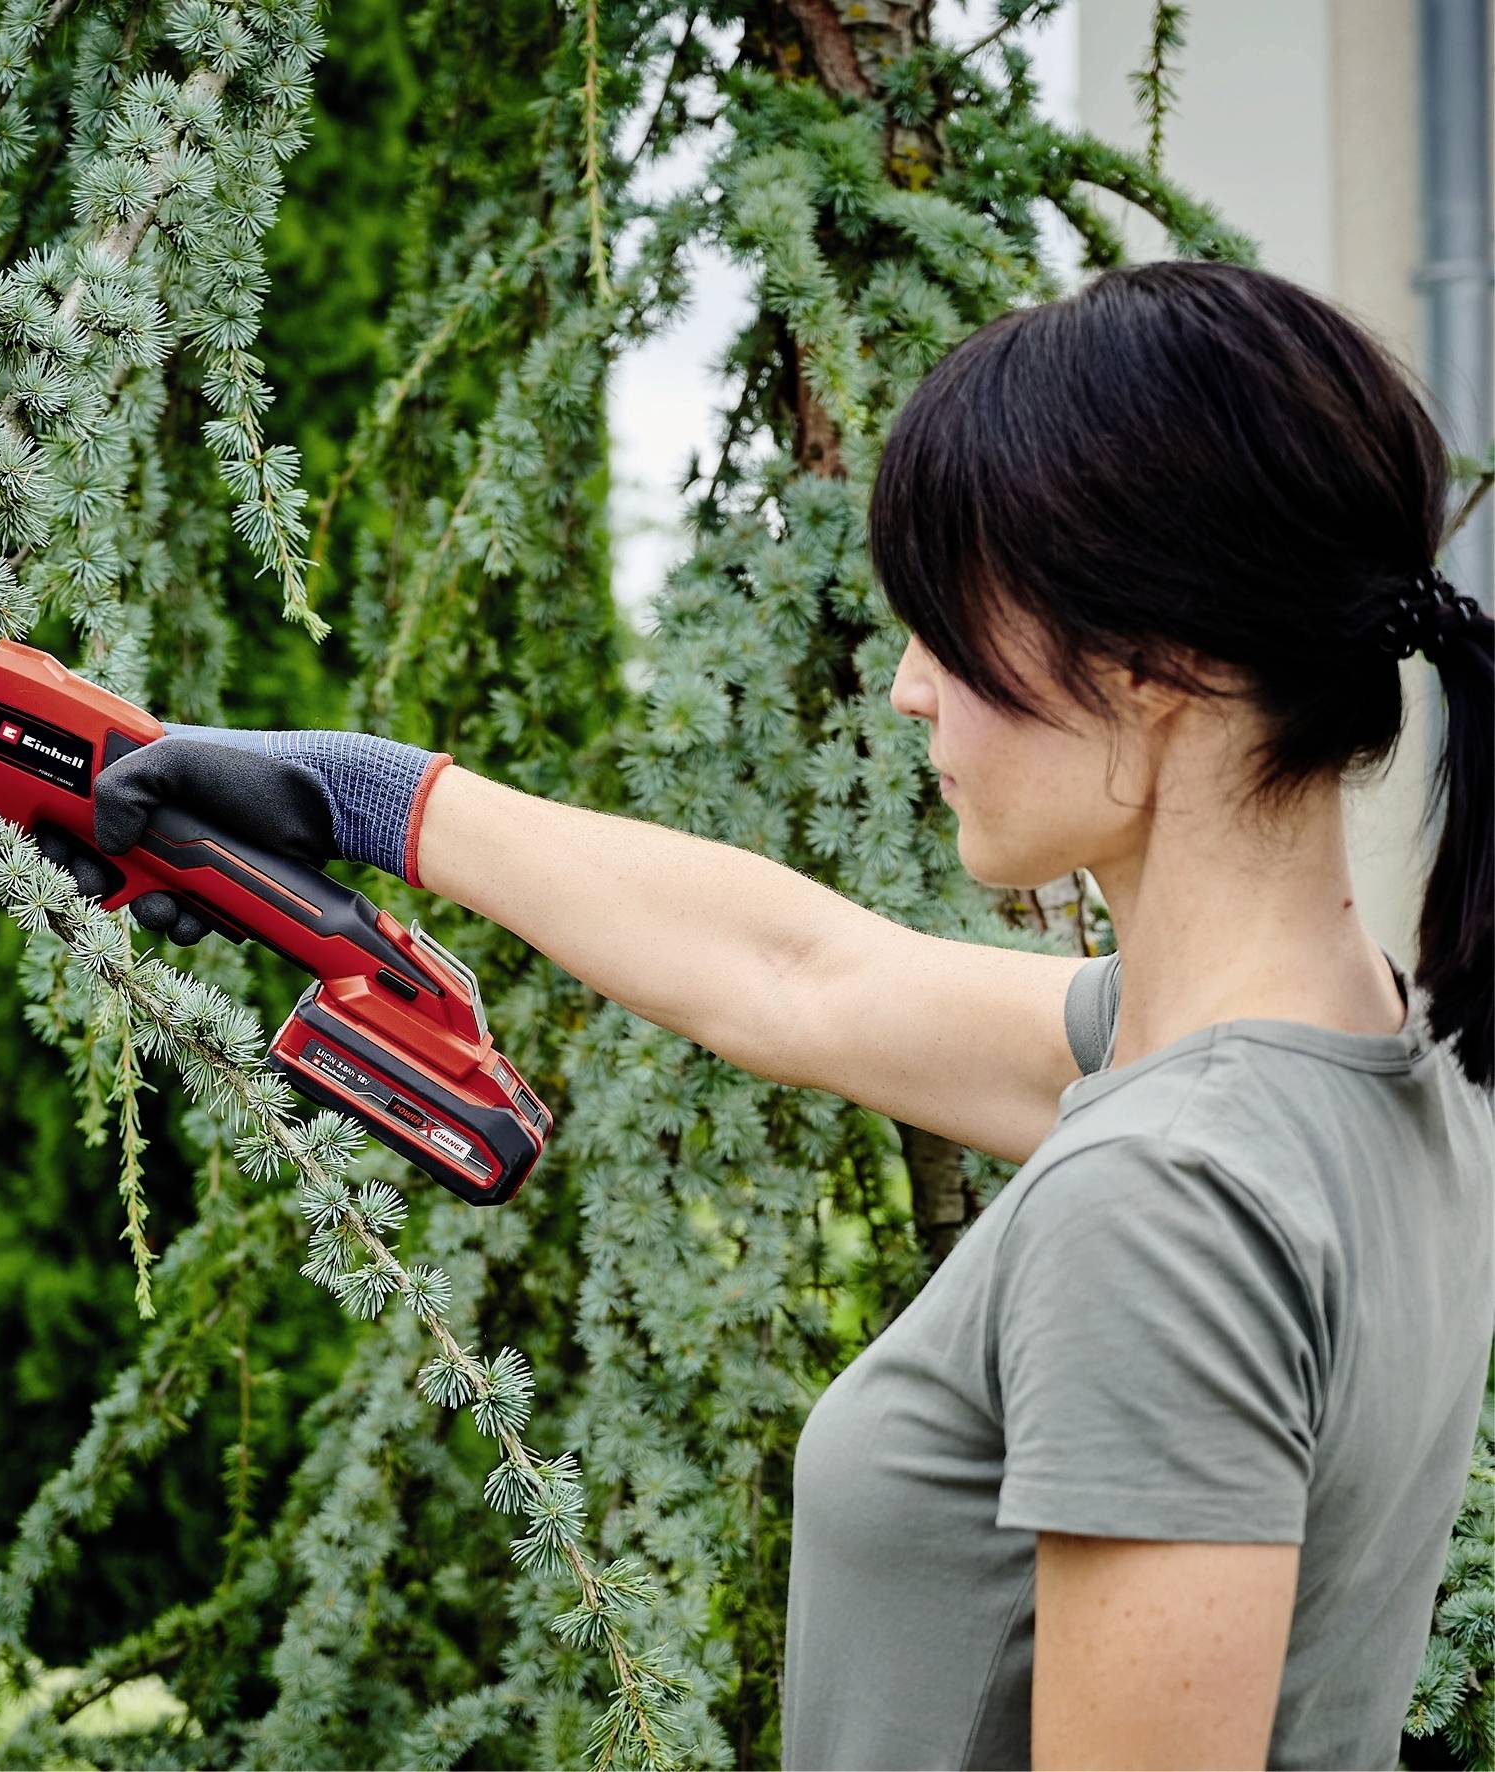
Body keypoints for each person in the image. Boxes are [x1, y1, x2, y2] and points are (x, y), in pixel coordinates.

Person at [88, 260, 1494, 1769]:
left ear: (1164, 668)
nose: (906, 688)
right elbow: (807, 975)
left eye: (954, 625)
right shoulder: (1370, 1053)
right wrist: (363, 796)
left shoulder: (1167, 1199)